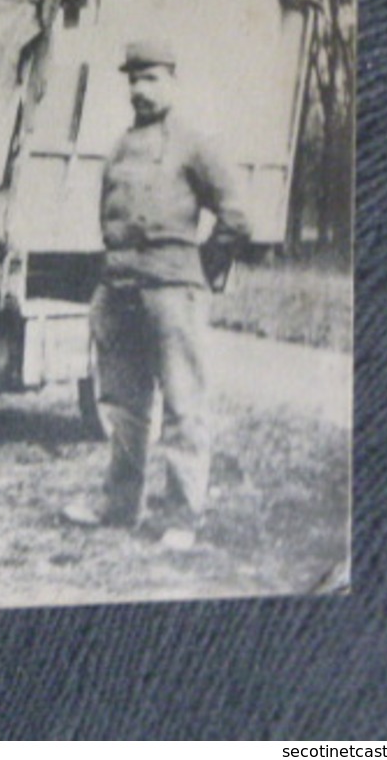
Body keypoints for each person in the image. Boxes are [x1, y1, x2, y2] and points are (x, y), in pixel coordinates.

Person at [63, 38, 251, 551]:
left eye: (151, 79)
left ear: (172, 80)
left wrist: (196, 269)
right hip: (120, 287)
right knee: (123, 403)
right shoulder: (121, 147)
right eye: (134, 79)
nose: (141, 89)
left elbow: (236, 216)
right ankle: (120, 503)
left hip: (172, 292)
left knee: (183, 403)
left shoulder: (194, 143)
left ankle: (182, 516)